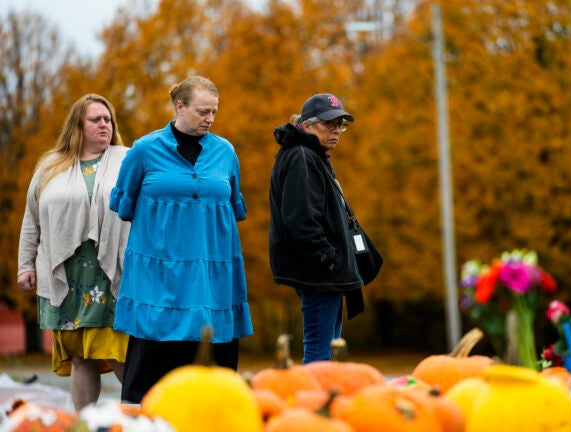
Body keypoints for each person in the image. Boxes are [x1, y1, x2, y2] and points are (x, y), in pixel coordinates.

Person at [109, 76, 253, 403]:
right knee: (149, 374)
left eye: (214, 112)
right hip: (158, 276)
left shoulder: (226, 153)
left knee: (212, 375)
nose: (211, 119)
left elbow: (234, 208)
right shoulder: (143, 152)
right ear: (180, 107)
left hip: (212, 276)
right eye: (203, 111)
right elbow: (124, 207)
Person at [17, 94, 131, 410]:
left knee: (118, 349)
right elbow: (32, 219)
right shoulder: (49, 167)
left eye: (108, 119)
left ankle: (144, 419)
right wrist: (25, 264)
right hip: (67, 277)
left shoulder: (128, 160)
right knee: (81, 357)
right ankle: (83, 422)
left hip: (113, 274)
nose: (104, 124)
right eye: (96, 119)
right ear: (77, 125)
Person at [270, 93, 376, 364]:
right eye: (328, 124)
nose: (336, 130)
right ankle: (314, 406)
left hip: (325, 273)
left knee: (326, 352)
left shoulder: (311, 155)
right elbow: (300, 220)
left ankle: (318, 401)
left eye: (340, 124)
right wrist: (328, 258)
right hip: (319, 274)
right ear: (307, 126)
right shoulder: (302, 157)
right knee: (319, 356)